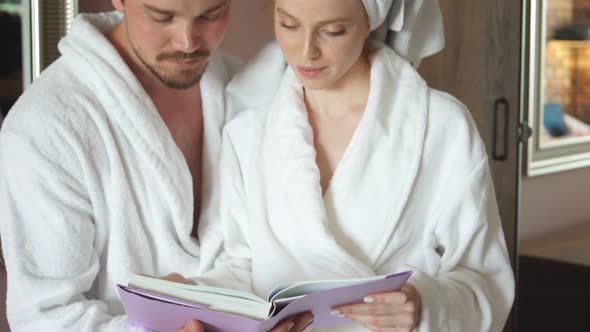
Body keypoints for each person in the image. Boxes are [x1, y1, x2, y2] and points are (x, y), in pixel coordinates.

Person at [188, 0, 516, 331]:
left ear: (369, 24)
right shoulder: (247, 134)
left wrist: (426, 305)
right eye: (288, 24)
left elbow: (486, 281)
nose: (306, 51)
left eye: (333, 31)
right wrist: (189, 300)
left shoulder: (441, 126)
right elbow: (240, 266)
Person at [0, 0, 239, 330]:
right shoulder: (46, 126)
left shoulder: (244, 88)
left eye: (211, 14)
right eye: (162, 16)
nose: (188, 42)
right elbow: (44, 318)